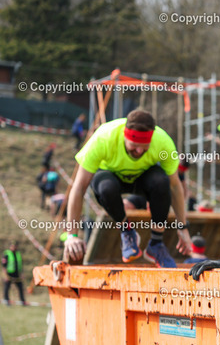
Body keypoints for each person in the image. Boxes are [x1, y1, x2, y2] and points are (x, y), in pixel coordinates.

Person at [64, 109, 192, 268]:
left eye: (144, 147)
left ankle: (156, 244)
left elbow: (175, 186)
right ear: (124, 136)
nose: (139, 151)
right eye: (134, 146)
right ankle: (127, 231)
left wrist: (183, 227)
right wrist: (72, 236)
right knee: (106, 187)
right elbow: (79, 187)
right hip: (110, 176)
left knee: (162, 181)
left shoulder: (163, 142)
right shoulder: (103, 137)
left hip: (143, 179)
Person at [2, 241, 26, 306]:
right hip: (9, 273)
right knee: (7, 288)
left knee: (20, 287)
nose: (14, 247)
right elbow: (4, 265)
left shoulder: (18, 254)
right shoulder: (7, 254)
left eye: (15, 246)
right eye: (12, 246)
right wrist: (6, 275)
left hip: (17, 274)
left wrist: (21, 274)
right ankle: (7, 301)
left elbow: (20, 265)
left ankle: (23, 301)